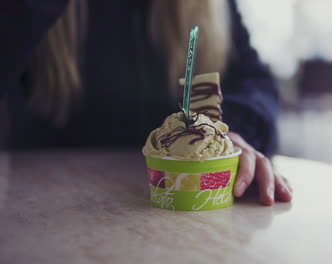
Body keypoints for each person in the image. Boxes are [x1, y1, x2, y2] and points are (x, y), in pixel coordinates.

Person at [0, 0, 292, 205]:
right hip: (45, 212)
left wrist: (224, 135)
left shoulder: (213, 7)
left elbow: (254, 83)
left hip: (184, 217)